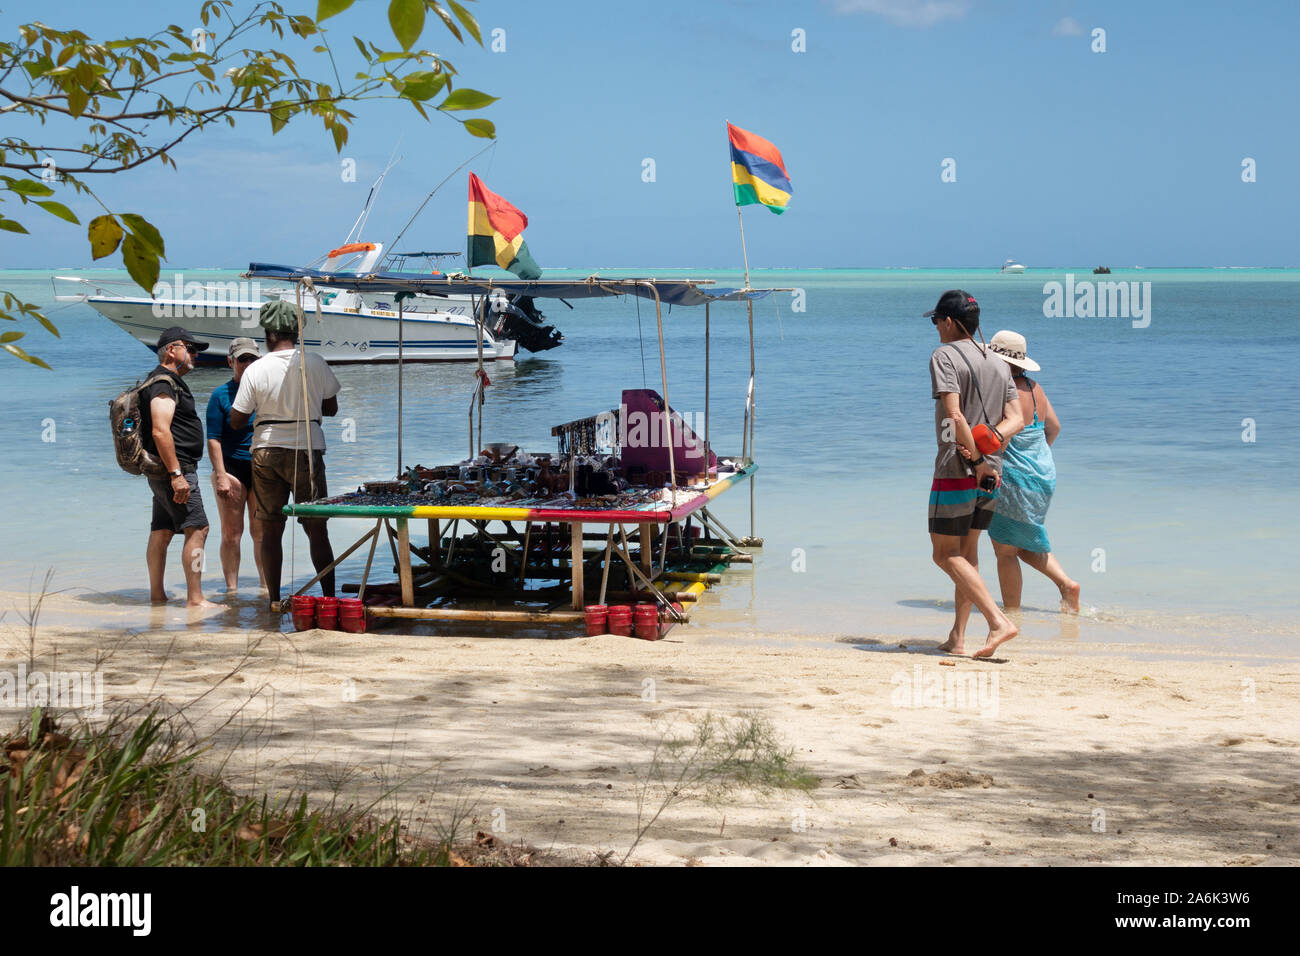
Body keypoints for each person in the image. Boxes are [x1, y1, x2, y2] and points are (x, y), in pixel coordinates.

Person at [924, 291, 1024, 658]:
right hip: (993, 470)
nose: (935, 327)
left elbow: (955, 415)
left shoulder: (944, 356)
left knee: (944, 554)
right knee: (967, 551)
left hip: (957, 464)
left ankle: (998, 622)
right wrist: (991, 446)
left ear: (949, 322)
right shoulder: (999, 363)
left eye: (936, 320)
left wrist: (976, 457)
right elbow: (1018, 418)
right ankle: (958, 637)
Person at [229, 301, 340, 609]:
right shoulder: (315, 361)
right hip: (307, 449)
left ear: (269, 334)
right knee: (317, 528)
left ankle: (275, 601)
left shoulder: (256, 369)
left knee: (271, 529)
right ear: (296, 331)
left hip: (265, 451)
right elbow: (331, 409)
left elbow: (237, 420)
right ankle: (329, 598)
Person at [985, 330, 1080, 613]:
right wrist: (1036, 457)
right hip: (1043, 472)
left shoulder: (1003, 390)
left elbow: (998, 439)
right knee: (1022, 540)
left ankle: (1012, 615)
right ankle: (1066, 585)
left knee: (1004, 550)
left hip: (1015, 476)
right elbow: (1055, 428)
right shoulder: (1035, 387)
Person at [141, 326, 218, 608]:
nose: (195, 355)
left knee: (161, 531)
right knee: (198, 528)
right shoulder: (163, 384)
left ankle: (157, 596)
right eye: (191, 348)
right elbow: (161, 431)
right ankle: (196, 599)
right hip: (175, 470)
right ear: (173, 350)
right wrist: (176, 475)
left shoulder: (162, 382)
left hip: (164, 470)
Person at [205, 337, 267, 592]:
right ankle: (232, 591)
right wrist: (220, 475)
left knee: (262, 533)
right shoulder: (220, 395)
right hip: (231, 469)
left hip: (262, 469)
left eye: (253, 358)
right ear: (230, 361)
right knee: (232, 534)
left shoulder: (265, 392)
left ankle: (266, 588)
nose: (248, 363)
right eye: (243, 359)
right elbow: (213, 439)